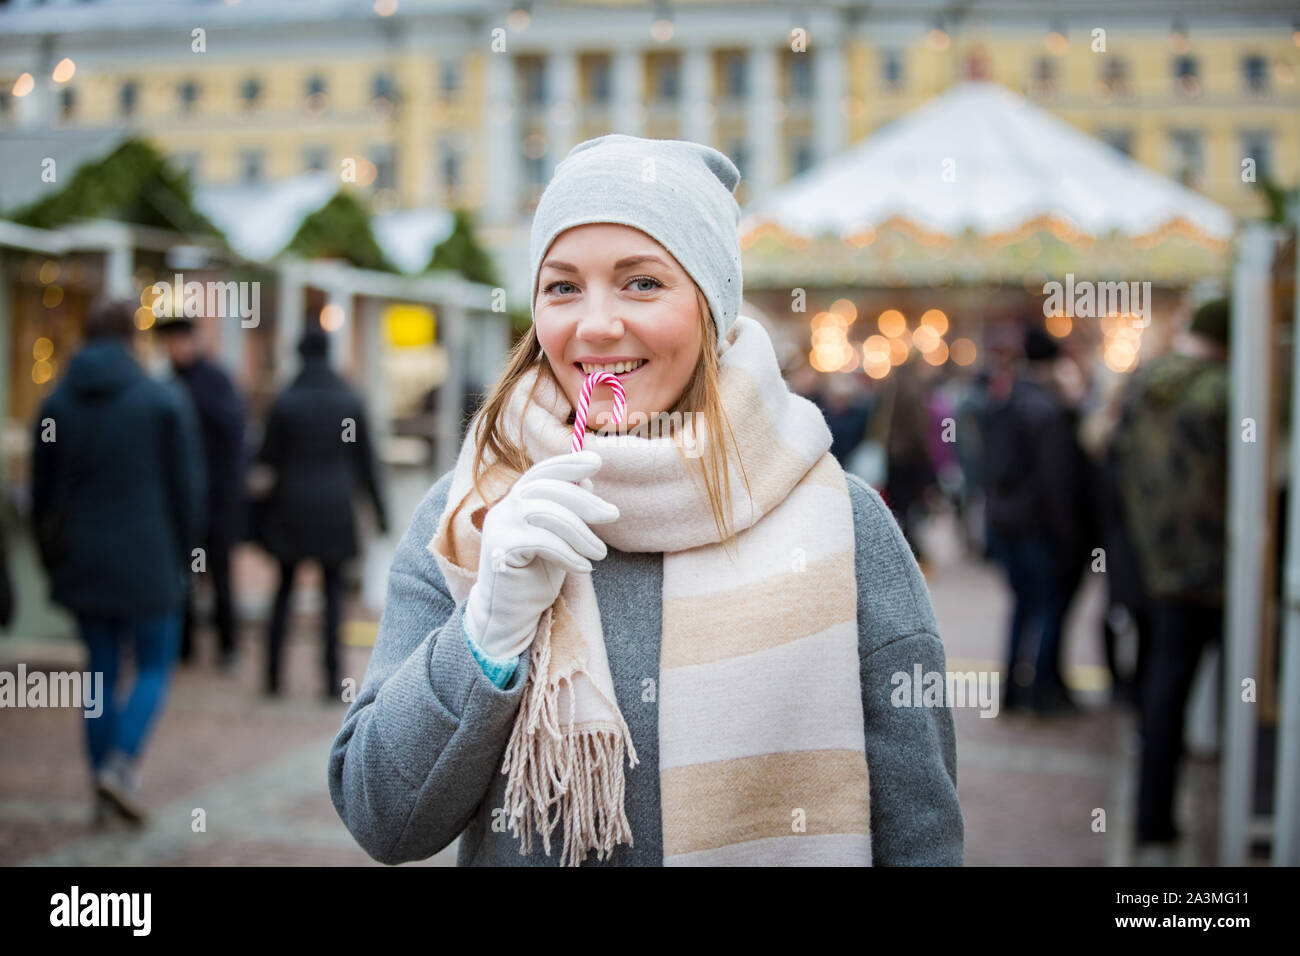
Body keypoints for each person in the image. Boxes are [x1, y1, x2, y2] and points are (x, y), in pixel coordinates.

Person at [329, 134, 963, 867]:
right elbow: (382, 816)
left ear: (711, 306)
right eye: (563, 286)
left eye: (641, 283)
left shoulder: (842, 523)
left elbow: (922, 840)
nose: (596, 325)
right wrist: (486, 634)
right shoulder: (471, 512)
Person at [30, 299, 205, 826]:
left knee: (99, 671)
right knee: (154, 663)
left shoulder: (55, 404)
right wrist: (188, 554)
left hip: (83, 560)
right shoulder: (162, 400)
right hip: (150, 558)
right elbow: (187, 490)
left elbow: (41, 496)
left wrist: (51, 556)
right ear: (133, 338)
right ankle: (121, 767)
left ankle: (101, 778)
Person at [1113, 298, 1229, 860]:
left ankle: (1153, 821)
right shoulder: (1222, 392)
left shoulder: (1141, 384)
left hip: (1147, 561)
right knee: (1225, 689)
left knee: (1162, 691)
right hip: (1213, 566)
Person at [256, 326, 388, 700]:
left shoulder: (284, 401)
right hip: (335, 508)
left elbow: (267, 459)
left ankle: (272, 677)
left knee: (282, 591)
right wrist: (380, 513)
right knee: (333, 596)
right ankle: (332, 681)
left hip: (291, 508)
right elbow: (366, 462)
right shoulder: (348, 400)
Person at [979, 326, 1085, 715]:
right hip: (1038, 526)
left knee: (1022, 606)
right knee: (1046, 609)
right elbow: (1055, 479)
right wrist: (1069, 534)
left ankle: (1012, 688)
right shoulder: (1045, 410)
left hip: (1007, 522)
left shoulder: (1004, 402)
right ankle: (1040, 690)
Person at [155, 315, 247, 672]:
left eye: (178, 340)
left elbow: (233, 441)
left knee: (221, 575)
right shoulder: (167, 384)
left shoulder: (215, 381)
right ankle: (184, 646)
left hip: (216, 500)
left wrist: (226, 493)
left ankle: (228, 646)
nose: (174, 348)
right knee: (184, 575)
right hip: (182, 501)